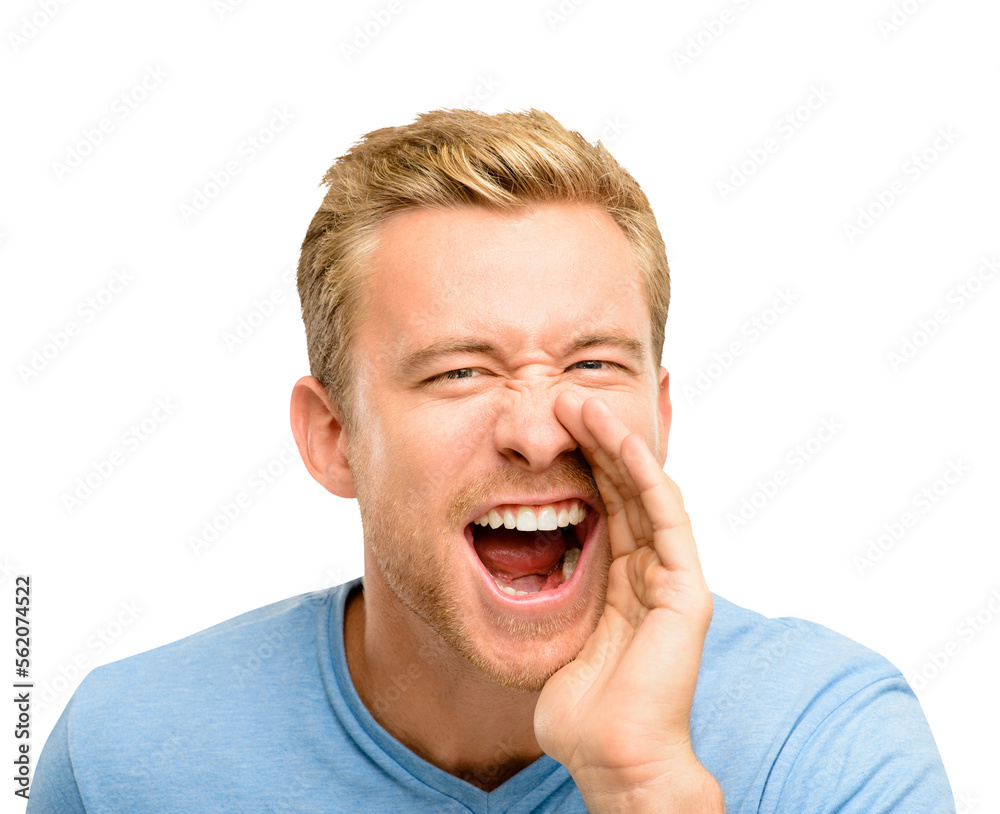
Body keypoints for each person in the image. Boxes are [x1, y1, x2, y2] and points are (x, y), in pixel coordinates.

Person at [29, 109, 954, 813]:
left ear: (660, 416)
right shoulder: (125, 756)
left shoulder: (827, 739)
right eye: (460, 371)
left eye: (593, 365)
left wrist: (643, 783)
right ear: (333, 437)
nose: (541, 431)